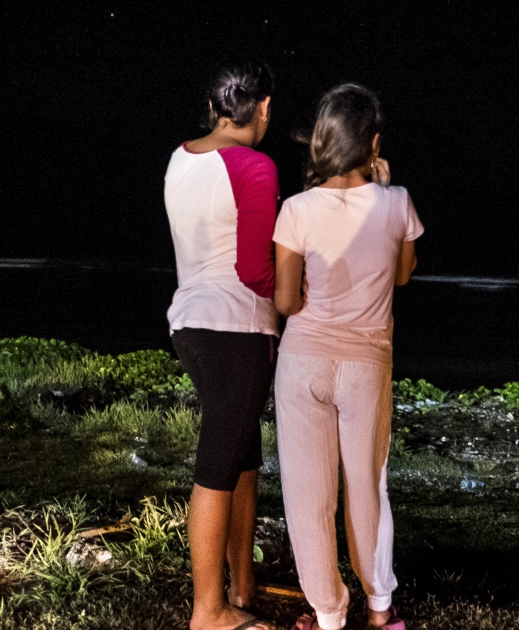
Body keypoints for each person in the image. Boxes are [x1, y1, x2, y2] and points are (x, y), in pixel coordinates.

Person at [272, 83, 418, 630]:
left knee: (308, 496)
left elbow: (286, 300)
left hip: (304, 361)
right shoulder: (398, 202)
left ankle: (329, 616)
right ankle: (380, 611)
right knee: (368, 486)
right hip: (366, 366)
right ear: (373, 142)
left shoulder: (296, 210)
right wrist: (384, 186)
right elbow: (402, 274)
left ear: (323, 140)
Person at [164, 61, 280, 630]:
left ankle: (241, 585)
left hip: (190, 322)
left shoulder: (181, 157)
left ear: (213, 108)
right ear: (262, 110)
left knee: (242, 454)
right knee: (217, 463)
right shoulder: (254, 166)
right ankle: (208, 611)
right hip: (236, 326)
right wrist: (302, 297)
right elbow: (257, 270)